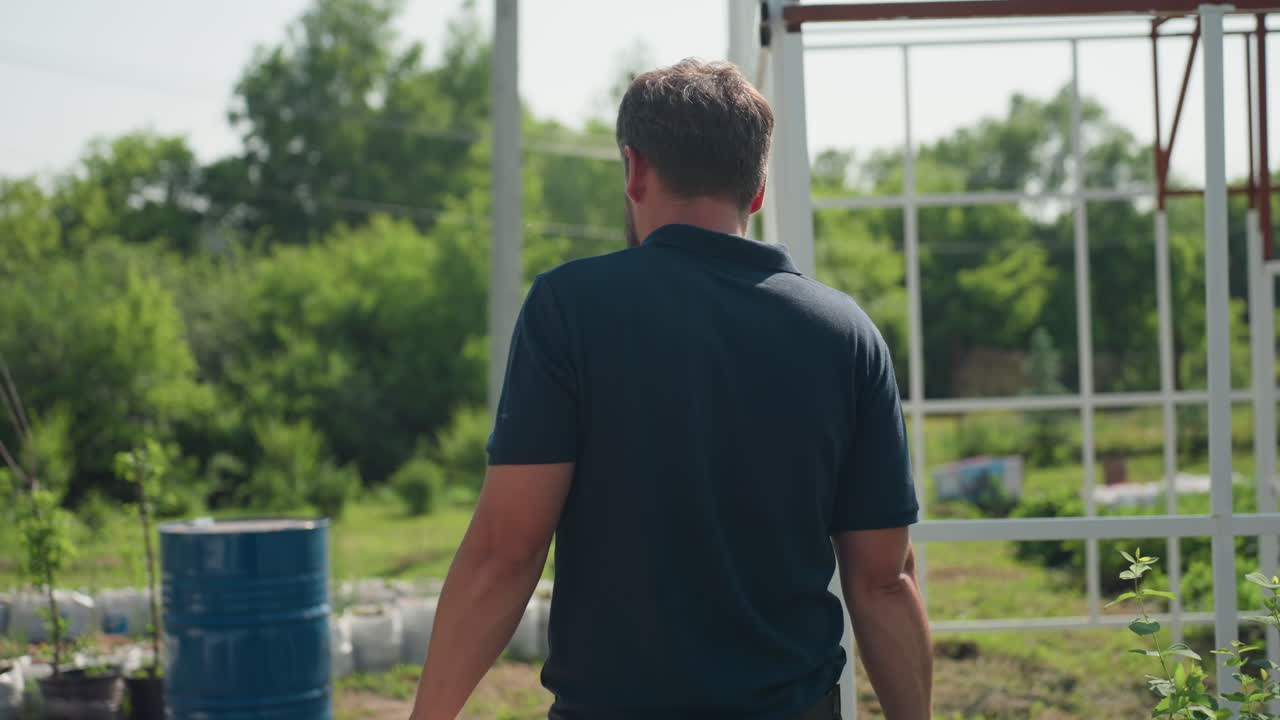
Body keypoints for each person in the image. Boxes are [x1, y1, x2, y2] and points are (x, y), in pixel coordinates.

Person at [409, 59, 932, 720]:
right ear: (759, 187)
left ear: (634, 168)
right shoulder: (847, 334)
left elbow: (503, 556)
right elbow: (885, 581)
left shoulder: (571, 309)